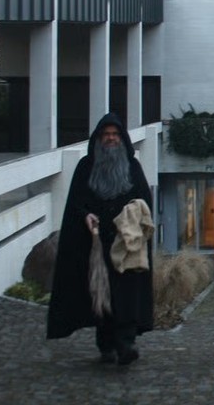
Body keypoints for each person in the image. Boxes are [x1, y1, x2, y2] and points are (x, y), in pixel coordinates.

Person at [47, 113, 154, 366]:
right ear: (98, 138)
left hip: (125, 243)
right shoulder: (86, 166)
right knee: (101, 294)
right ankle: (106, 344)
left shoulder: (133, 166)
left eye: (115, 135)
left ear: (122, 138)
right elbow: (75, 202)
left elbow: (144, 200)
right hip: (95, 243)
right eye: (106, 135)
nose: (111, 139)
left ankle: (126, 342)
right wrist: (86, 215)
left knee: (126, 294)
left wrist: (132, 214)